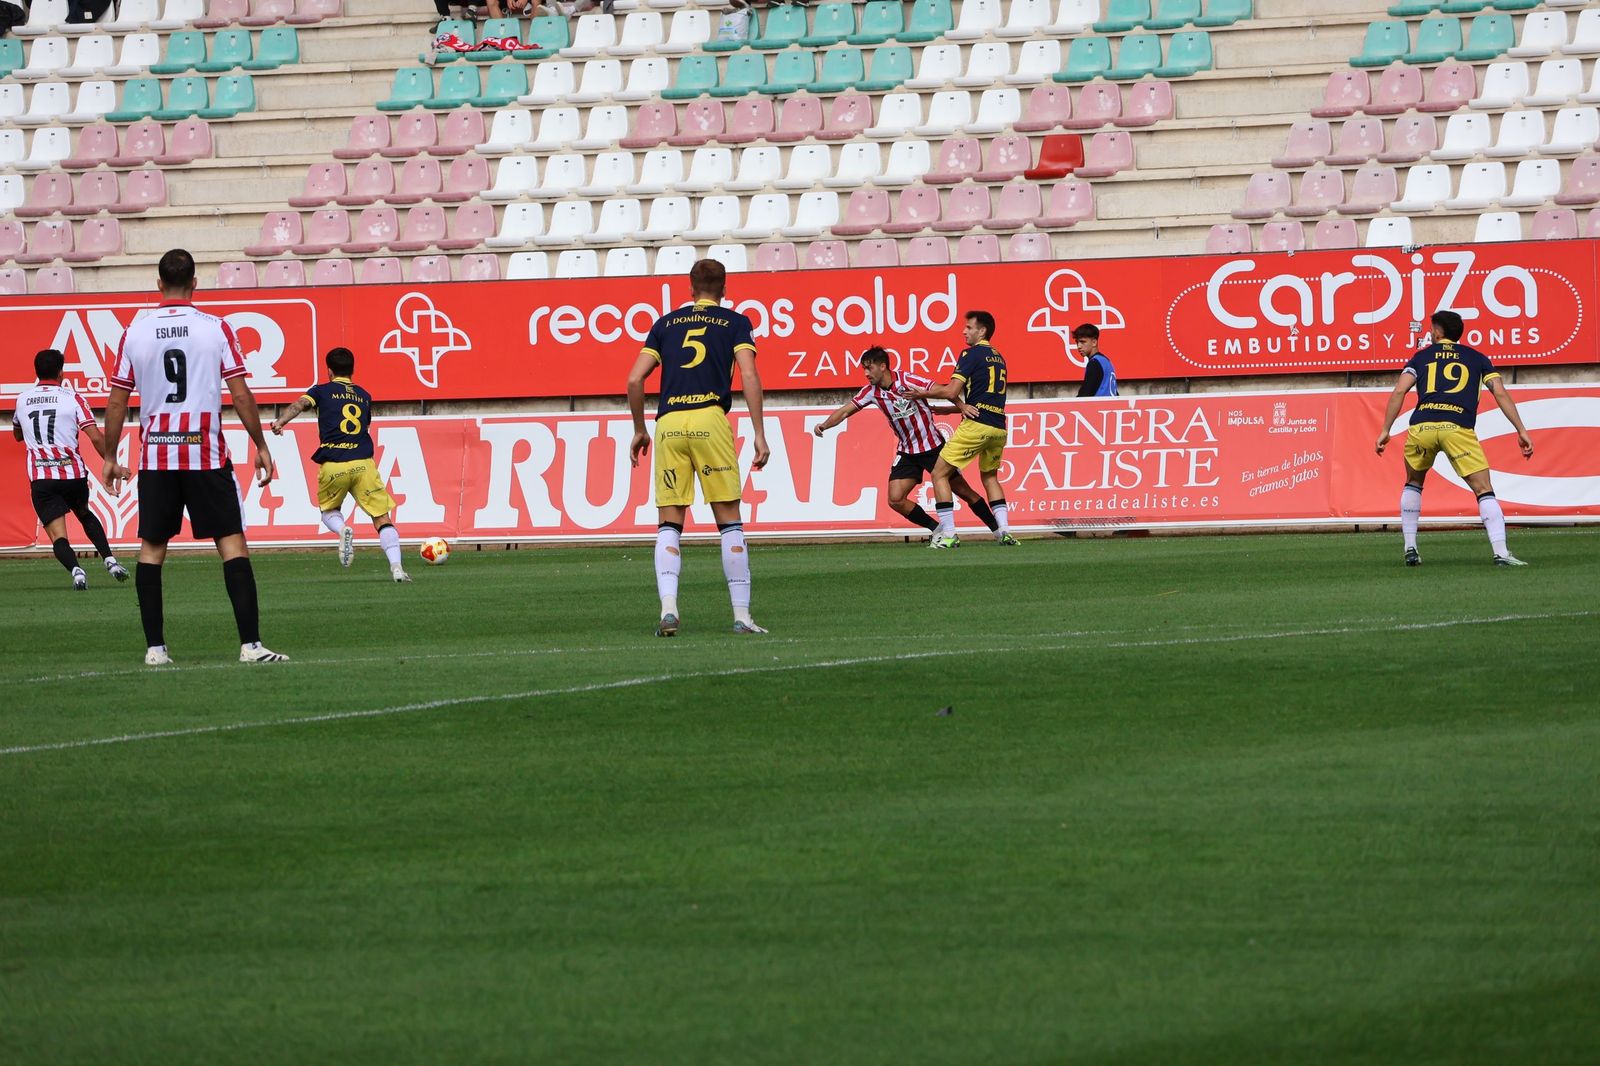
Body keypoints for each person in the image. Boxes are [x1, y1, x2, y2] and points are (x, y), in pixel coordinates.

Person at [100, 248, 289, 665]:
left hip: (157, 458)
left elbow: (117, 403)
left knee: (152, 550)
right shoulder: (216, 328)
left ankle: (155, 650)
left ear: (158, 283)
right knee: (232, 544)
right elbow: (239, 393)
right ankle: (251, 646)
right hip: (205, 455)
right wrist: (260, 444)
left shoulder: (136, 331)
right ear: (195, 284)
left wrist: (110, 455)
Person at [627, 258, 770, 637]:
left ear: (690, 289)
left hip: (669, 423)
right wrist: (759, 433)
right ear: (724, 290)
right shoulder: (736, 322)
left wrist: (640, 428)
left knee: (670, 523)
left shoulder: (665, 324)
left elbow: (634, 379)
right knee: (729, 521)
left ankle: (669, 609)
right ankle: (741, 616)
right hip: (709, 419)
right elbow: (749, 374)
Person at [1375, 309, 1534, 568]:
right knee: (1484, 490)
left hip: (1422, 427)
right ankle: (1501, 553)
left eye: (1431, 328)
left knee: (1413, 483)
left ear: (1438, 332)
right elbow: (1500, 393)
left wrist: (1385, 430)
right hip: (1457, 428)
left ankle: (1411, 548)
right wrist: (1521, 430)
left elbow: (1399, 391)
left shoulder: (1421, 357)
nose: (1429, 332)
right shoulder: (1477, 358)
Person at [811, 346, 1000, 539]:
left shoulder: (909, 380)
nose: (866, 373)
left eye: (869, 368)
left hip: (933, 447)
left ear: (883, 366)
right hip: (907, 452)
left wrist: (960, 406)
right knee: (895, 499)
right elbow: (845, 411)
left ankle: (999, 531)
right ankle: (939, 530)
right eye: (864, 369)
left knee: (965, 492)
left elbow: (943, 390)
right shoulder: (870, 392)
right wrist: (824, 425)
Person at [269, 347, 409, 583]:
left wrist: (280, 422)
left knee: (329, 512)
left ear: (329, 371)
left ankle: (342, 529)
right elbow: (365, 427)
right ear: (352, 370)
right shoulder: (364, 395)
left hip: (334, 463)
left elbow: (300, 404)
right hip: (364, 464)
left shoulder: (321, 391)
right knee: (382, 518)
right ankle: (397, 567)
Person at [11, 348, 128, 590]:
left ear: (37, 372)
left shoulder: (22, 399)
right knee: (84, 513)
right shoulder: (73, 397)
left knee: (58, 536)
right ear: (61, 372)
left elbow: (17, 434)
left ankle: (76, 571)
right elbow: (95, 437)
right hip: (72, 474)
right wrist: (111, 462)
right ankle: (110, 561)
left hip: (42, 478)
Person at [903, 311, 1018, 549]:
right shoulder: (999, 357)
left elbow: (951, 391)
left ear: (982, 331)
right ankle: (1004, 532)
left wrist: (920, 393)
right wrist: (955, 410)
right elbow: (983, 400)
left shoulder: (970, 354)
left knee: (939, 474)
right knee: (989, 477)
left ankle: (949, 535)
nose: (964, 331)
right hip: (998, 428)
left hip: (975, 428)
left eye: (968, 327)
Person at [1072, 323, 1119, 397]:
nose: (1079, 346)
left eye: (1082, 342)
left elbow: (1085, 394)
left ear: (1094, 342)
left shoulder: (1094, 363)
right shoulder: (1106, 361)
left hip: (1099, 406)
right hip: (1110, 406)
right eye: (1077, 342)